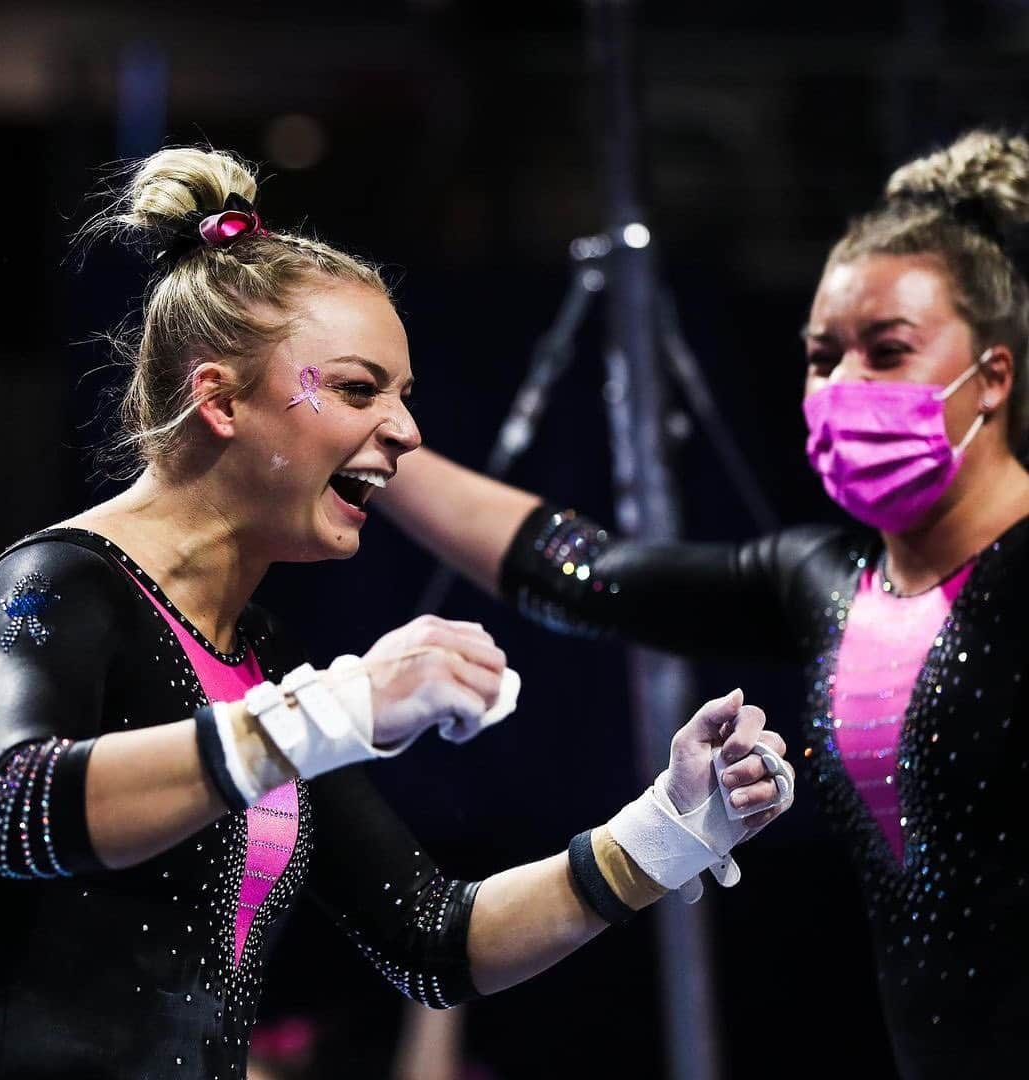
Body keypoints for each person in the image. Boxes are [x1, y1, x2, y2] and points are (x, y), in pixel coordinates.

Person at [0, 147, 793, 1080]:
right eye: (358, 389)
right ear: (219, 398)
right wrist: (334, 712)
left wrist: (670, 830)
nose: (406, 430)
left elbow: (432, 941)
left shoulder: (259, 655)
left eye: (402, 394)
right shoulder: (55, 585)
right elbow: (20, 809)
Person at [374, 128, 1029, 1080]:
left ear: (995, 377)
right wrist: (365, 444)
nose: (845, 385)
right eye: (821, 356)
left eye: (887, 352)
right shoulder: (825, 581)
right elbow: (584, 572)